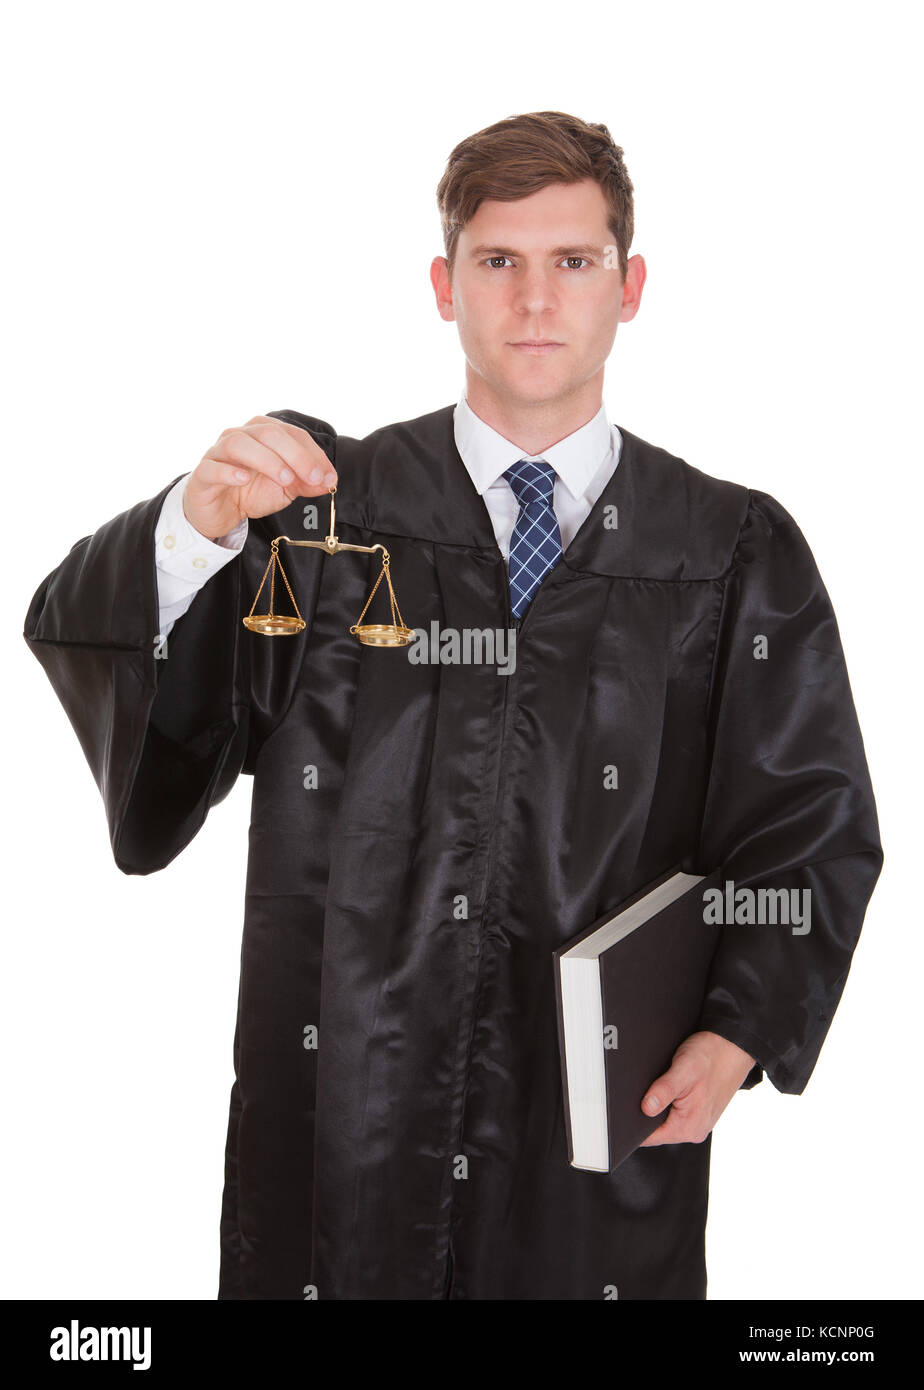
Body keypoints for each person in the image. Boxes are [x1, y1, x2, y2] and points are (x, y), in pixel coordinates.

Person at [23, 110, 882, 1300]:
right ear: (444, 285)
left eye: (572, 262)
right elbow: (153, 711)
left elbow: (809, 818)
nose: (536, 301)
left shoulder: (730, 548)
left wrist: (745, 1026)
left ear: (629, 288)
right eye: (498, 261)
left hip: (589, 1131)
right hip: (348, 1140)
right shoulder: (322, 515)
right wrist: (190, 531)